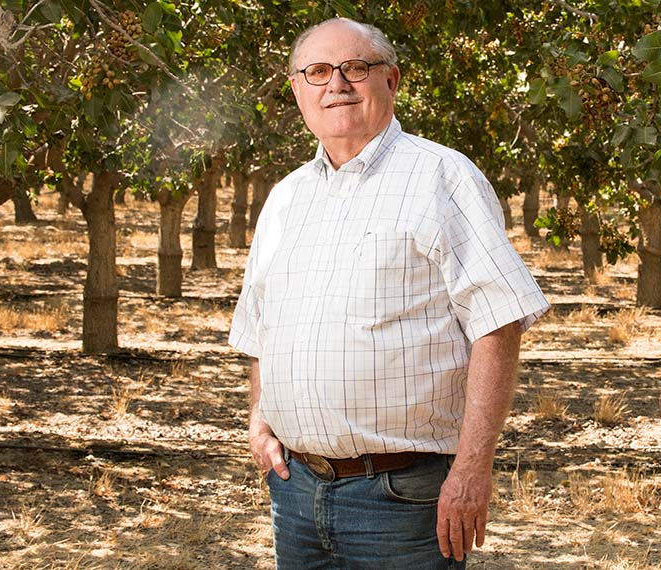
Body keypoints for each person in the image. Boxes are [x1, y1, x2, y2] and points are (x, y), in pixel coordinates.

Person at [229, 17, 549, 569]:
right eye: (318, 72)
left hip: (401, 500)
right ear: (297, 89)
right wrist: (260, 418)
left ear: (392, 80)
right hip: (297, 493)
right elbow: (260, 325)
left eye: (356, 68)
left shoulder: (442, 177)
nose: (337, 85)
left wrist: (473, 467)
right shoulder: (285, 199)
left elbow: (497, 322)